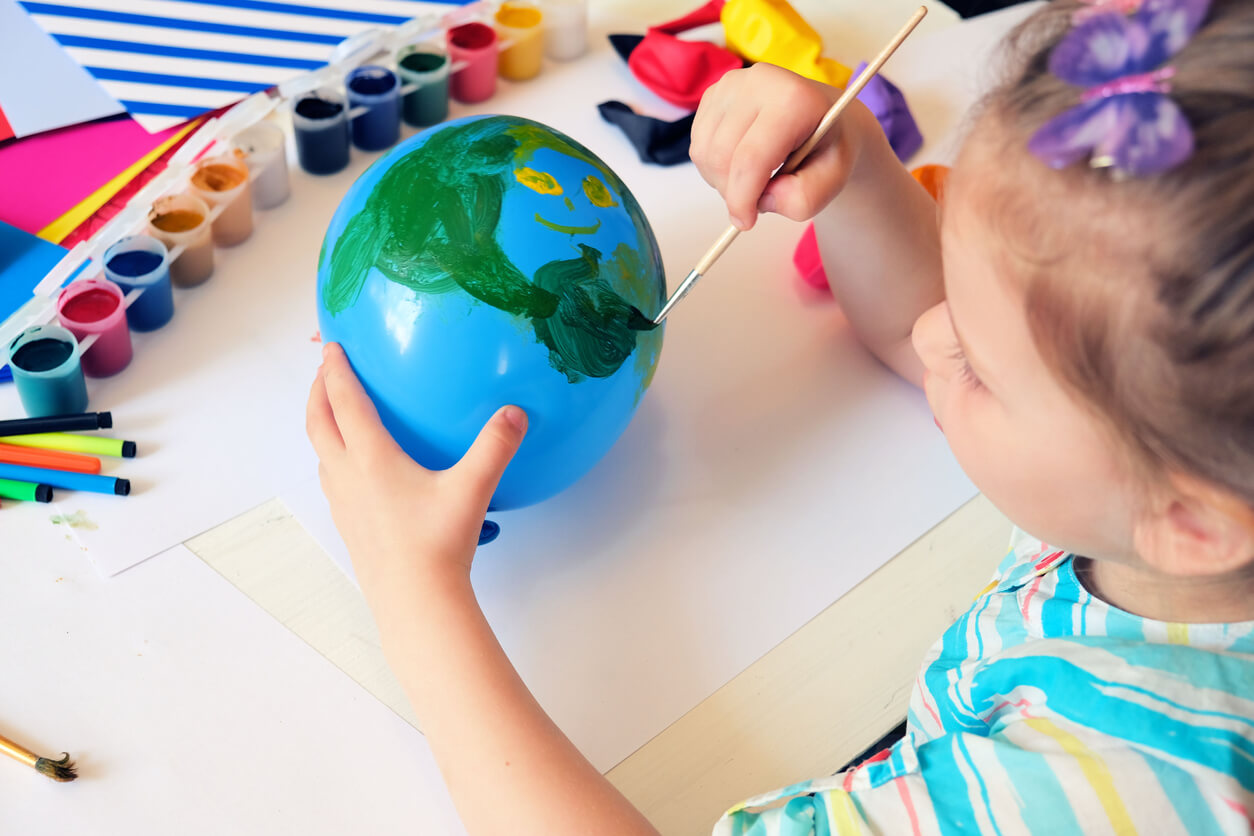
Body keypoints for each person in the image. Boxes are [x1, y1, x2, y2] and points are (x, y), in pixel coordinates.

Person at [306, 0, 1254, 831]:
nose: (930, 339)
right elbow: (958, 334)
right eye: (959, 303)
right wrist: (857, 174)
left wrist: (414, 595)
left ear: (1191, 522)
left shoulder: (1107, 790)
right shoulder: (1178, 477)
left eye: (977, 363)